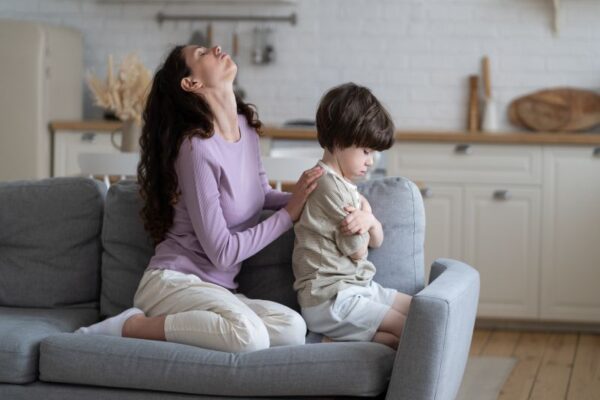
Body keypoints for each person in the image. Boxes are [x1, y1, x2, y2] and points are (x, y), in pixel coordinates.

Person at [76, 44, 324, 353]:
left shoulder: (245, 129)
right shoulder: (196, 148)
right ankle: (129, 326)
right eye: (202, 53)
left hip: (218, 291)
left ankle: (213, 325)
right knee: (249, 336)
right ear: (191, 83)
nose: (216, 48)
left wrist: (309, 194)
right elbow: (223, 253)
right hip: (175, 284)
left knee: (292, 328)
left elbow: (261, 195)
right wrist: (288, 215)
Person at [292, 83, 412, 350]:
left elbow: (377, 241)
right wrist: (366, 217)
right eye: (366, 151)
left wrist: (369, 220)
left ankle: (331, 340)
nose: (371, 161)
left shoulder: (345, 186)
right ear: (338, 141)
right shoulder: (328, 186)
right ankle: (323, 338)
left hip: (357, 287)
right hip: (330, 298)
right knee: (409, 328)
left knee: (421, 311)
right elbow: (357, 251)